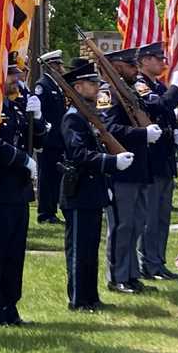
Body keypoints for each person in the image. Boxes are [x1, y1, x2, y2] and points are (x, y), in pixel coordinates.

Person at [60, 60, 134, 311]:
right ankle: (79, 300)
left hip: (92, 190)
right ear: (78, 87)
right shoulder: (73, 119)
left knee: (90, 248)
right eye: (92, 84)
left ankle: (91, 296)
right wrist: (110, 162)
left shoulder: (88, 116)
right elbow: (79, 154)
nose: (97, 87)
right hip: (79, 189)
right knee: (79, 250)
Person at [0, 54, 44, 326]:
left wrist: (37, 119)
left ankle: (10, 307)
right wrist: (20, 159)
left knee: (15, 253)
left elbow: (38, 139)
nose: (17, 79)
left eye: (18, 73)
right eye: (11, 74)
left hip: (18, 189)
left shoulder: (17, 106)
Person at [100, 47, 162, 294]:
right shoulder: (108, 95)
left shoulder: (129, 92)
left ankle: (131, 274)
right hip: (121, 170)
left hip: (138, 168)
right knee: (122, 225)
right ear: (116, 66)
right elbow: (108, 129)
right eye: (130, 66)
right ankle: (117, 277)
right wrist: (142, 134)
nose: (136, 70)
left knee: (137, 223)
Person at [133, 42, 178, 280]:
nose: (163, 62)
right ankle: (149, 263)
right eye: (158, 58)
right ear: (144, 60)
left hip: (164, 158)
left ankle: (158, 261)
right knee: (151, 216)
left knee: (163, 216)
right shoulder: (139, 84)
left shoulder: (158, 85)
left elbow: (165, 112)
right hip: (151, 160)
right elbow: (156, 105)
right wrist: (176, 88)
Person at [33, 51, 68, 225]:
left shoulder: (57, 85)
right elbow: (40, 113)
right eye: (58, 65)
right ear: (50, 66)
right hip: (48, 139)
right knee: (46, 176)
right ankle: (45, 212)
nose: (61, 68)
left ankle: (52, 210)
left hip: (58, 139)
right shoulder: (43, 85)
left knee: (55, 176)